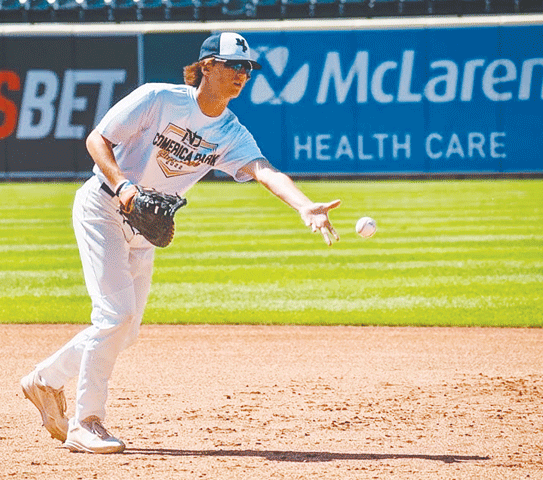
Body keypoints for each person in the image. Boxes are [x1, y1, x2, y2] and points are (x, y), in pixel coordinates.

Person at [21, 32, 342, 454]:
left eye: (247, 68)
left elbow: (263, 170)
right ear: (207, 65)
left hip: (145, 227)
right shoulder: (159, 99)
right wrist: (124, 186)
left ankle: (44, 380)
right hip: (104, 207)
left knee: (123, 331)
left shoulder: (229, 131)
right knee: (115, 316)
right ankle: (87, 423)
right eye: (234, 65)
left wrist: (304, 205)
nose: (242, 74)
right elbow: (98, 140)